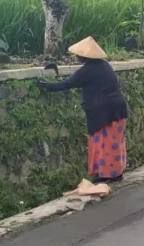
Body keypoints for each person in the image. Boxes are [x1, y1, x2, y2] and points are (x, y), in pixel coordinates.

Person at [39, 36, 128, 183]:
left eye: (78, 55)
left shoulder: (88, 70)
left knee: (104, 144)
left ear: (84, 56)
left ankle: (108, 175)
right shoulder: (105, 65)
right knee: (115, 143)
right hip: (118, 110)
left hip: (104, 113)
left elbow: (69, 83)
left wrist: (47, 86)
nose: (77, 57)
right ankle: (116, 172)